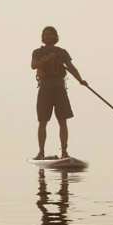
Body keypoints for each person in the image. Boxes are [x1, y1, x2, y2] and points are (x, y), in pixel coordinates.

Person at [31, 25, 86, 160]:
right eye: (45, 34)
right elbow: (33, 65)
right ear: (42, 37)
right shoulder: (37, 52)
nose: (47, 36)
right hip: (44, 90)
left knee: (62, 121)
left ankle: (64, 152)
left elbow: (71, 67)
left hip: (59, 90)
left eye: (50, 34)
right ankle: (41, 152)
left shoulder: (62, 52)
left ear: (55, 37)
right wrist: (46, 59)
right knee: (43, 121)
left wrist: (81, 80)